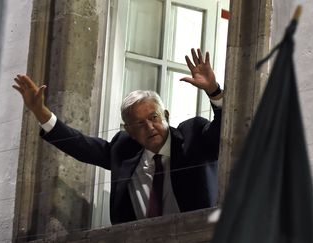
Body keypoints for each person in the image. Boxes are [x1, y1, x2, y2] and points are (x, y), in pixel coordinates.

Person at [13, 48, 223, 224]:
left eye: (154, 117)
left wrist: (214, 91)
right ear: (129, 130)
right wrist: (41, 113)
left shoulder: (193, 135)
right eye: (140, 123)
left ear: (166, 115)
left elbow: (227, 132)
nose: (150, 127)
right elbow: (80, 146)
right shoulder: (123, 150)